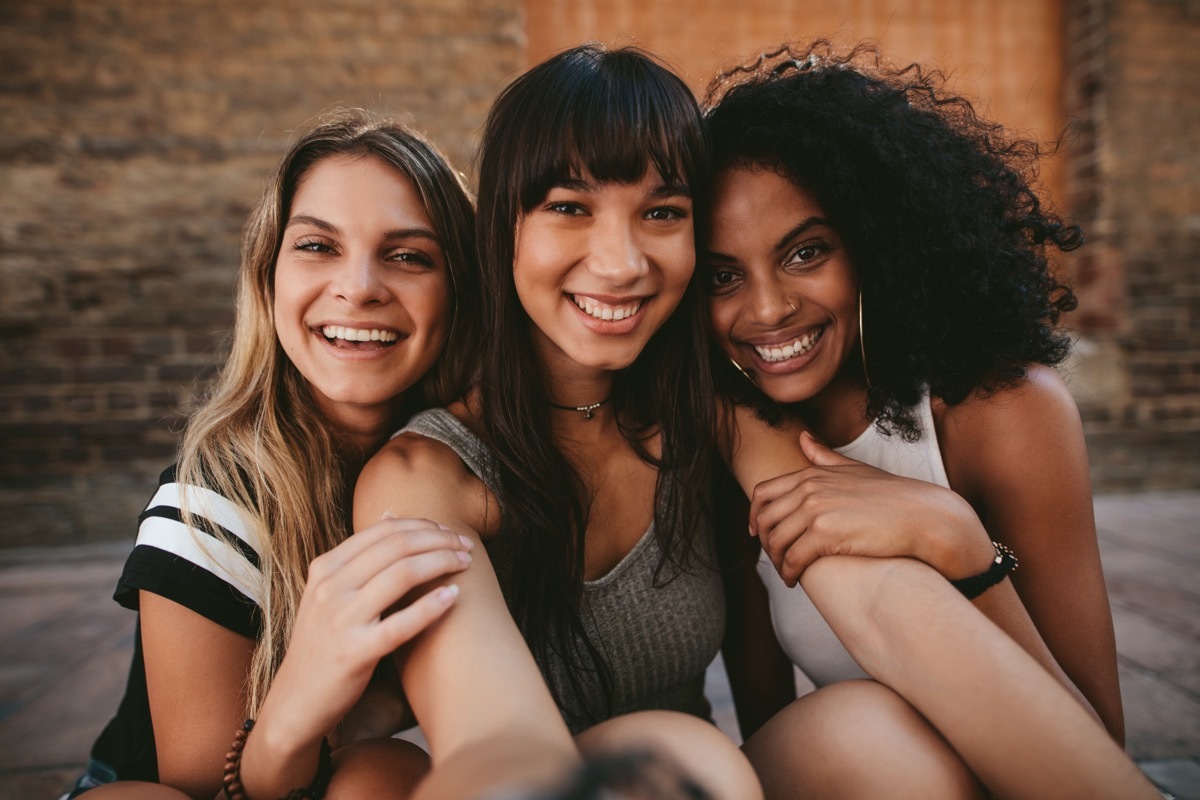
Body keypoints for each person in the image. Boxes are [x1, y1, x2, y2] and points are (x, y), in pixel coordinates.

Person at [701, 41, 1150, 798]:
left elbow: (1094, 746)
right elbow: (762, 694)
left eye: (807, 253)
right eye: (722, 275)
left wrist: (958, 542)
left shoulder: (1002, 413)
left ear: (878, 246)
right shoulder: (735, 433)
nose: (768, 309)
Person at [354, 44, 761, 800]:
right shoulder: (425, 478)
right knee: (676, 758)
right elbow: (491, 741)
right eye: (569, 208)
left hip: (714, 780)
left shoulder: (709, 414)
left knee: (860, 733)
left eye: (662, 212)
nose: (620, 263)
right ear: (502, 226)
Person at [66, 112, 481, 800]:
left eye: (408, 255)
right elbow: (201, 786)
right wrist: (304, 702)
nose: (359, 286)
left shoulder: (468, 476)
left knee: (388, 776)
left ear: (461, 292)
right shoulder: (210, 504)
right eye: (318, 246)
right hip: (182, 787)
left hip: (348, 774)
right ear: (269, 276)